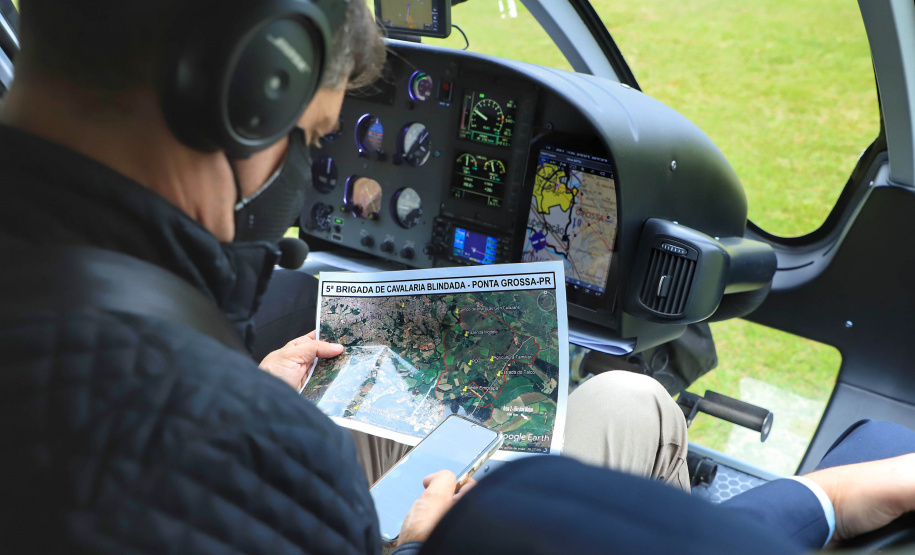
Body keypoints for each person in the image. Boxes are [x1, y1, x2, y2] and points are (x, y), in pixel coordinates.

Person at [0, 0, 452, 552]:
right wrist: (416, 545)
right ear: (249, 94)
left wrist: (242, 387)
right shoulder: (257, 459)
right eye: (308, 137)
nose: (301, 178)